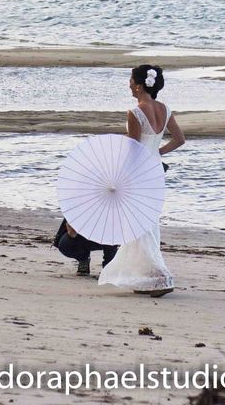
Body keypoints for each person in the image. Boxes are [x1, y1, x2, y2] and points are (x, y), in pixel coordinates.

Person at [97, 64, 185, 297]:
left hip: (139, 174)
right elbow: (179, 139)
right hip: (155, 171)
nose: (128, 85)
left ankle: (160, 277)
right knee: (149, 222)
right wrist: (157, 153)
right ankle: (146, 278)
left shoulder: (135, 113)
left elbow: (132, 150)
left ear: (138, 85)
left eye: (130, 81)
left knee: (137, 223)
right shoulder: (164, 109)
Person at [53, 218, 118, 276]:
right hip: (84, 235)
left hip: (108, 236)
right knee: (65, 243)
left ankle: (108, 268)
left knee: (112, 238)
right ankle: (83, 259)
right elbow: (71, 231)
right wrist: (71, 230)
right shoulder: (82, 210)